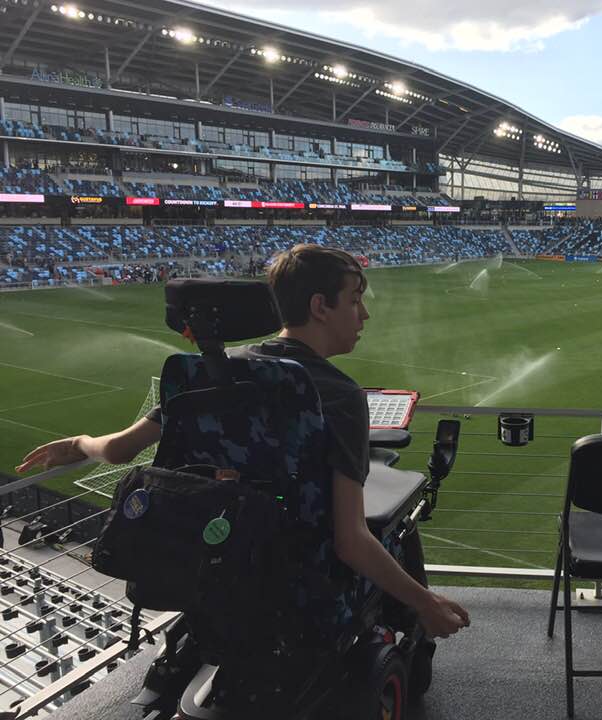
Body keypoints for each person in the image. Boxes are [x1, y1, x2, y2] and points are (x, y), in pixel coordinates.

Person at [17, 245, 469, 640]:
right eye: (355, 301)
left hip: (214, 566)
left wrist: (78, 443)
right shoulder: (341, 396)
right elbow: (350, 542)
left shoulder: (208, 372)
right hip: (303, 585)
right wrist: (425, 603)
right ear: (319, 306)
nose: (364, 315)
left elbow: (119, 451)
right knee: (397, 526)